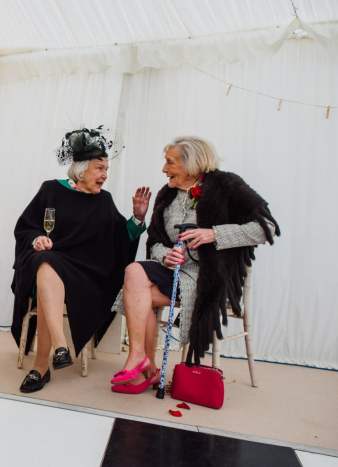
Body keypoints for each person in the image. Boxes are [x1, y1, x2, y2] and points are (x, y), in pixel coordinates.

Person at [110, 136, 280, 394]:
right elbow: (154, 240)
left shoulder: (227, 185)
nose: (163, 169)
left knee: (139, 296)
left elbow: (267, 227)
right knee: (134, 271)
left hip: (210, 277)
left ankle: (148, 370)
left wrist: (215, 234)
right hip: (174, 273)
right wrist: (166, 255)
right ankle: (139, 357)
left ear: (191, 165)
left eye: (170, 162)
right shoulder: (166, 194)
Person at [11, 126, 151, 393]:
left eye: (106, 170)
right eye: (100, 168)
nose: (104, 175)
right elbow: (25, 227)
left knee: (46, 270)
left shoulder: (105, 201)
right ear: (82, 168)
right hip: (49, 261)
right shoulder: (51, 190)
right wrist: (36, 239)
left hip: (85, 273)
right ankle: (59, 348)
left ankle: (42, 366)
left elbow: (122, 238)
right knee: (46, 262)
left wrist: (138, 218)